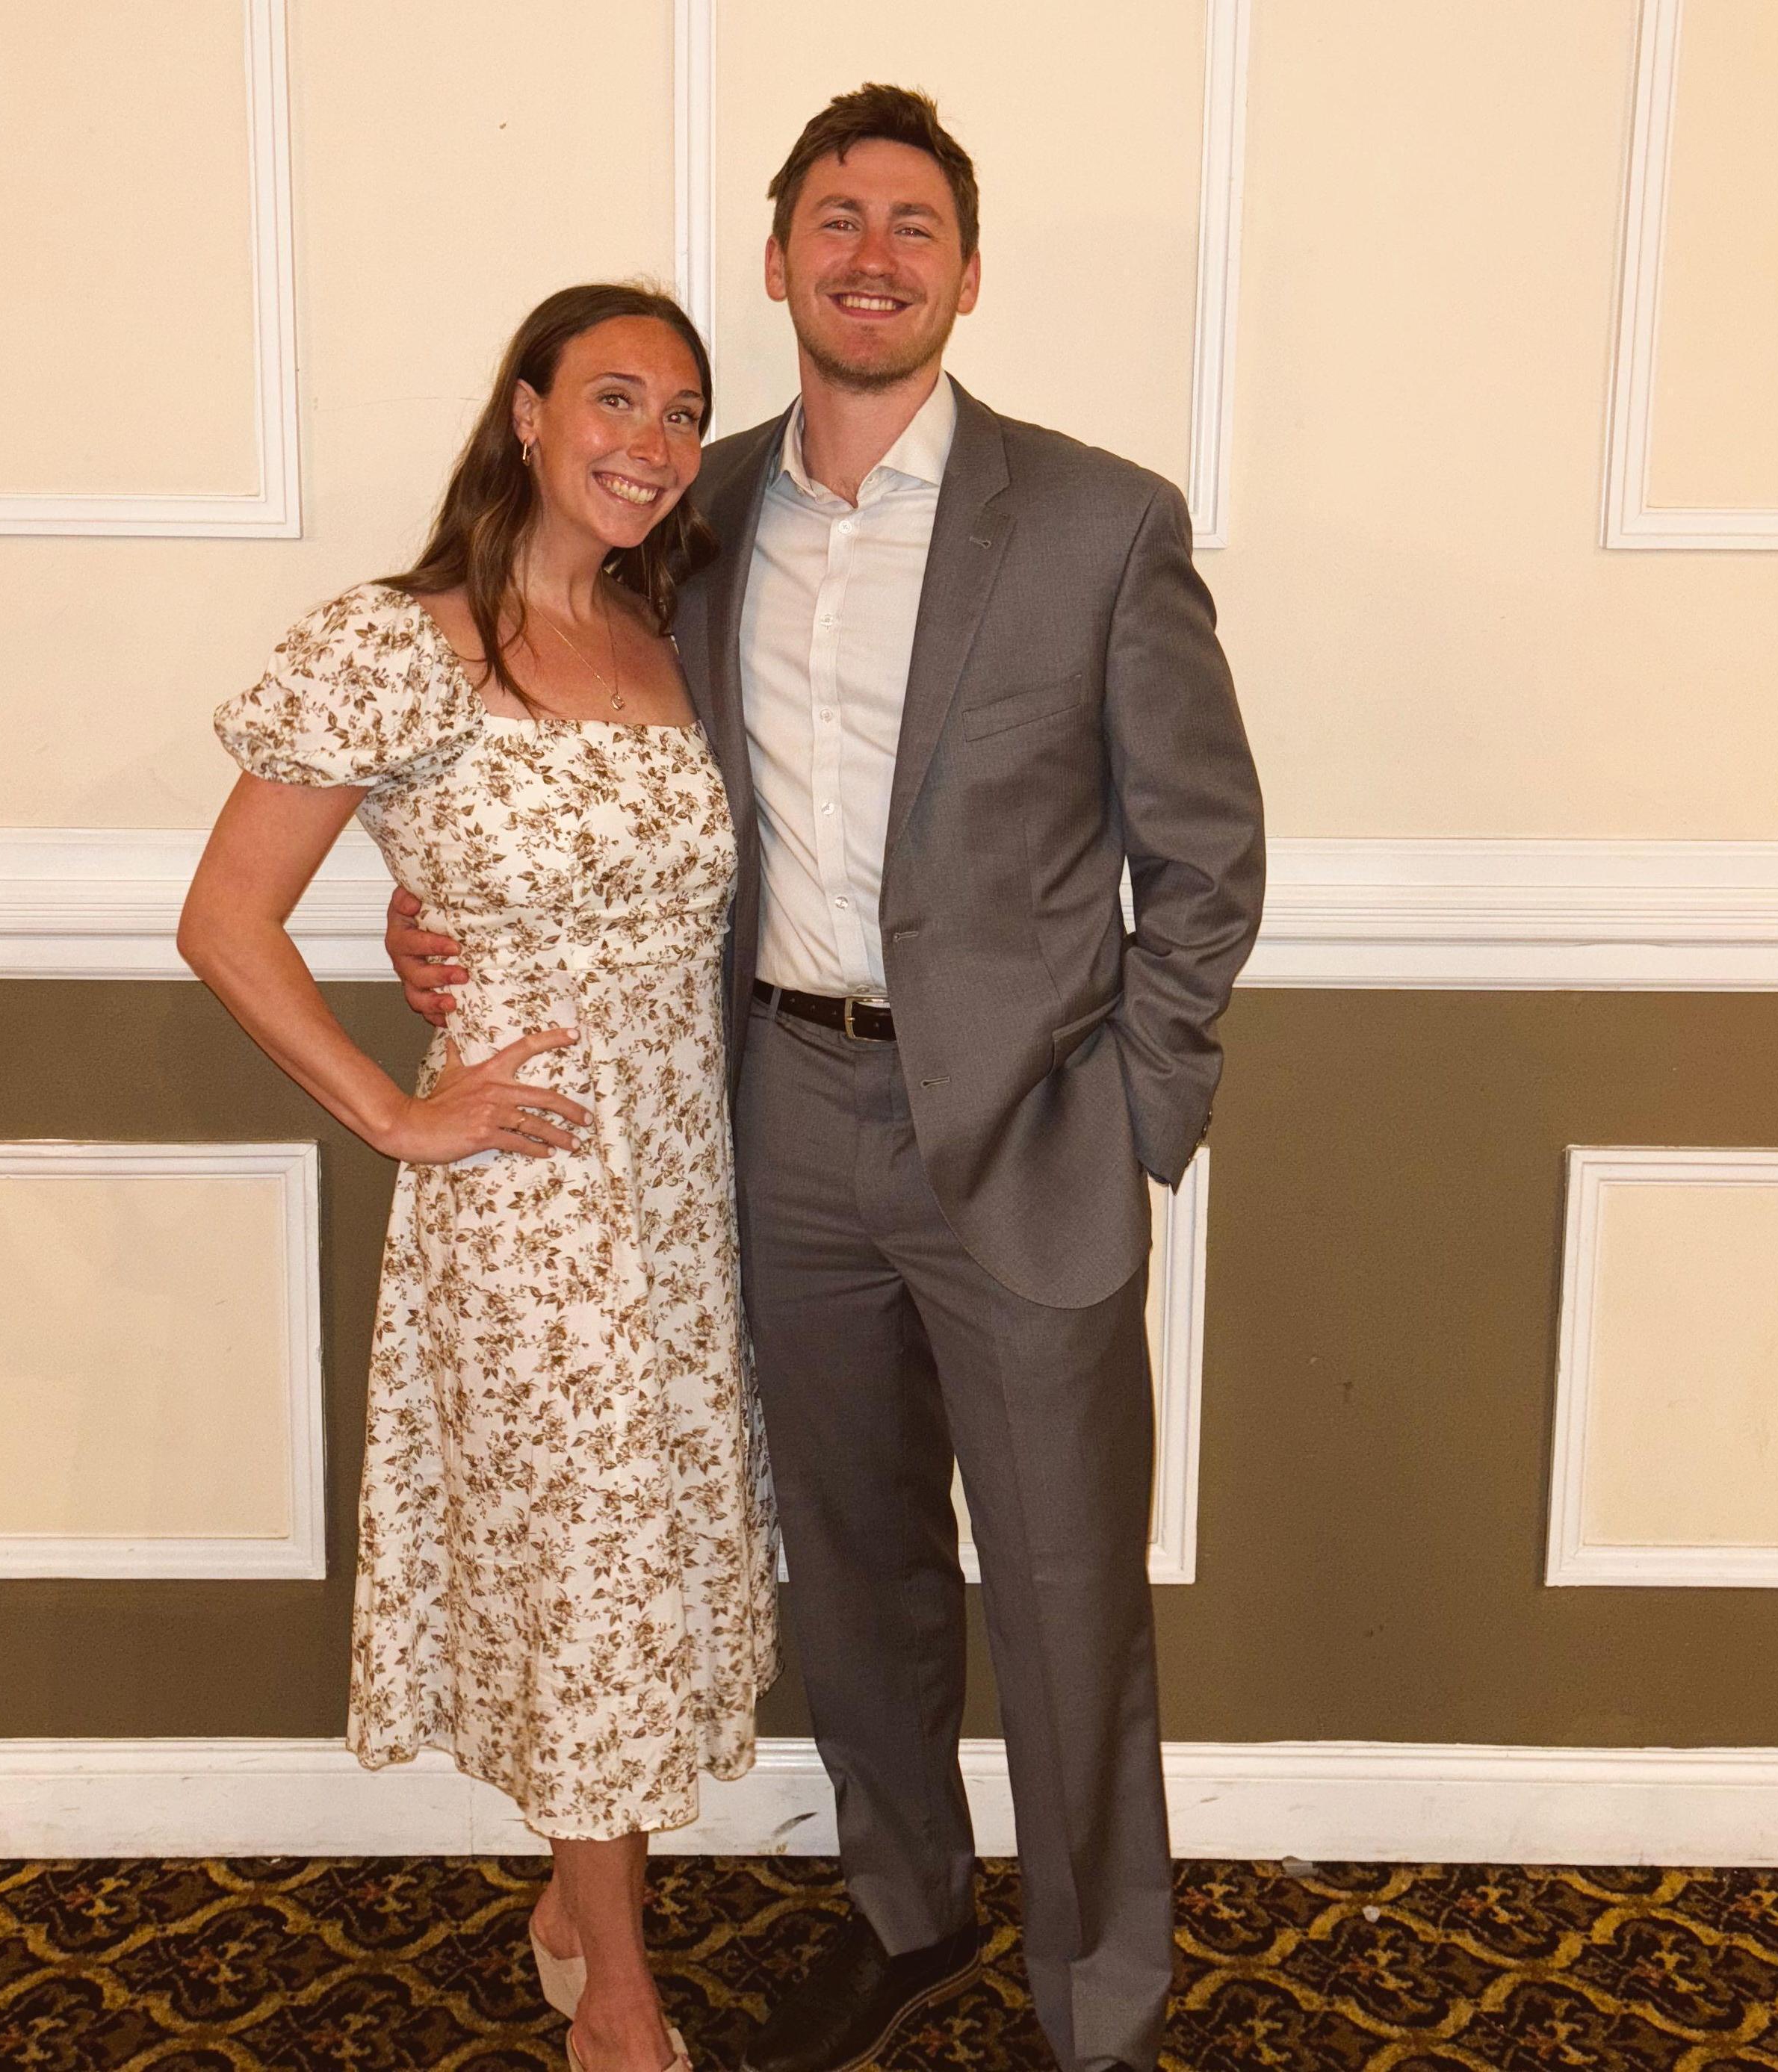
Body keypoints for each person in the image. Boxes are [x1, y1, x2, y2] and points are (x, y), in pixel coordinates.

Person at [389, 85, 1266, 2072]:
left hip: (1031, 1133)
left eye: (913, 226)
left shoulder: (1098, 522)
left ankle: (1099, 2002)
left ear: (967, 273)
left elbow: (1205, 854)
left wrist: (1135, 1110)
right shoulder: (683, 519)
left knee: (1063, 1592)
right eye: (837, 222)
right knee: (855, 1572)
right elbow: (549, 739)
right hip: (774, 1121)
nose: (873, 256)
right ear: (780, 258)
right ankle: (904, 1910)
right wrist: (427, 905)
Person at [182, 282, 780, 2072]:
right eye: (614, 398)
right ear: (525, 411)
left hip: (681, 1197)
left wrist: (435, 907)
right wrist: (395, 1111)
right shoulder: (397, 643)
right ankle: (620, 1994)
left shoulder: (670, 635)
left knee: (640, 1567)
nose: (653, 444)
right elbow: (226, 919)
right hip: (525, 1206)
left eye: (682, 413)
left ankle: (574, 1907)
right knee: (588, 1568)